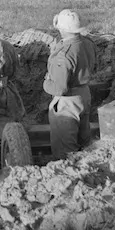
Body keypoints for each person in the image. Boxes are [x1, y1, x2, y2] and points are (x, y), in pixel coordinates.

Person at [43, 9, 97, 160]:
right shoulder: (88, 43)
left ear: (61, 28)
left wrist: (46, 83)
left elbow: (59, 88)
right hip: (84, 94)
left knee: (65, 153)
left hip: (68, 102)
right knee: (84, 144)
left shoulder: (64, 54)